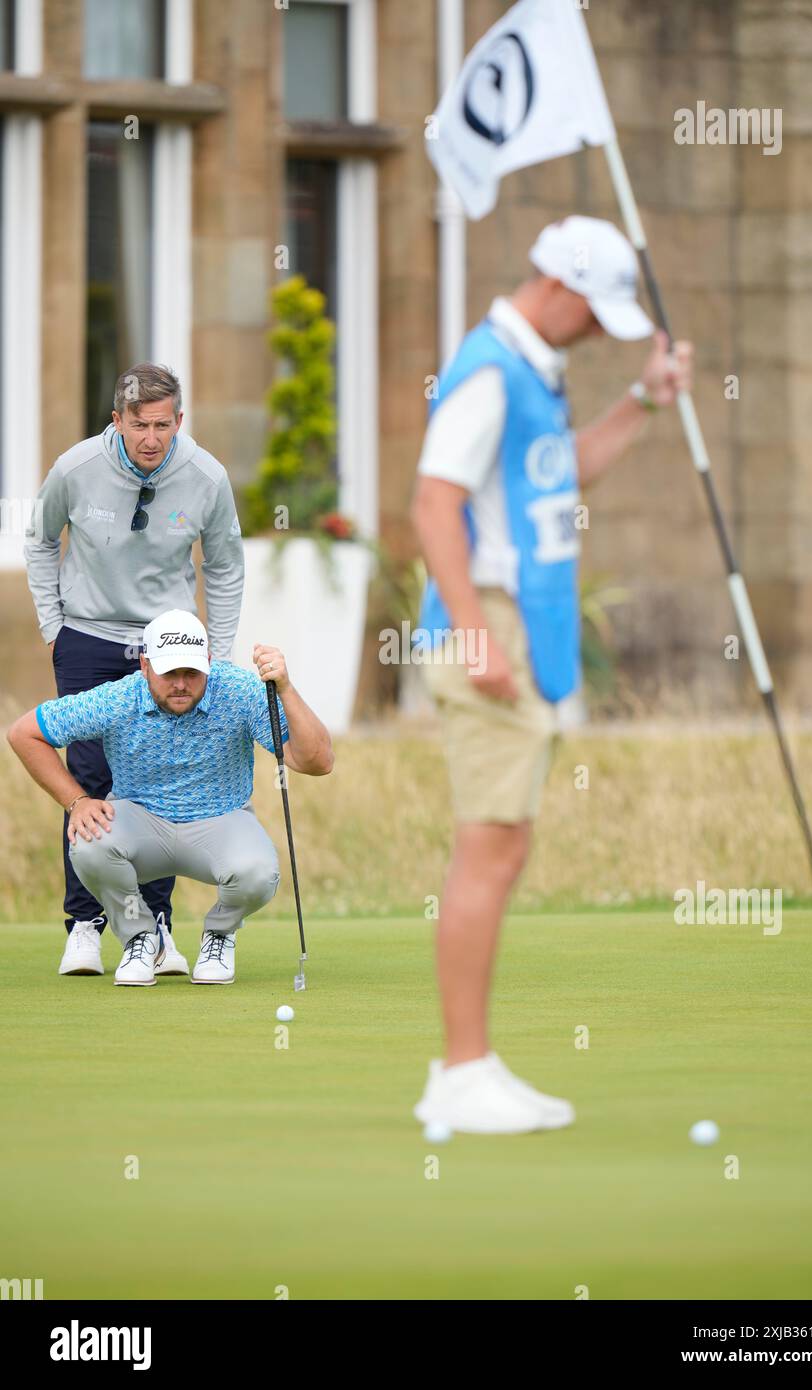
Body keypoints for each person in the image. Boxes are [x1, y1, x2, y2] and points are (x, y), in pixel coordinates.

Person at [411, 216, 694, 1135]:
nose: (592, 331)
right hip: (483, 619)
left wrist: (644, 401)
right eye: (593, 314)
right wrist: (471, 633)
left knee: (505, 843)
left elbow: (558, 478)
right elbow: (433, 502)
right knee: (488, 846)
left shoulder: (538, 369)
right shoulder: (492, 367)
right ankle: (459, 1073)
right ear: (561, 290)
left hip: (513, 622)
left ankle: (473, 1065)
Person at [23, 363, 245, 979]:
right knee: (89, 779)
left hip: (169, 644)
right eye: (139, 424)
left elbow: (226, 565)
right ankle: (86, 926)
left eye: (164, 425)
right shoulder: (74, 468)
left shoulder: (206, 477)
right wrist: (53, 628)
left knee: (156, 784)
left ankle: (157, 926)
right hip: (89, 637)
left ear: (180, 420)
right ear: (116, 420)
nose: (152, 438)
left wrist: (218, 656)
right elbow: (40, 540)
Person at [6, 610, 333, 986]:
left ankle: (220, 934)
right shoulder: (118, 698)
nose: (180, 684)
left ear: (209, 663)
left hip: (222, 819)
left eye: (192, 673)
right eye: (169, 673)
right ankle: (141, 936)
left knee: (258, 873)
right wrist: (76, 801)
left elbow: (317, 761)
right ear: (145, 665)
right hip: (141, 821)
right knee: (88, 843)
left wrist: (287, 689)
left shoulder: (240, 691)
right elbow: (24, 733)